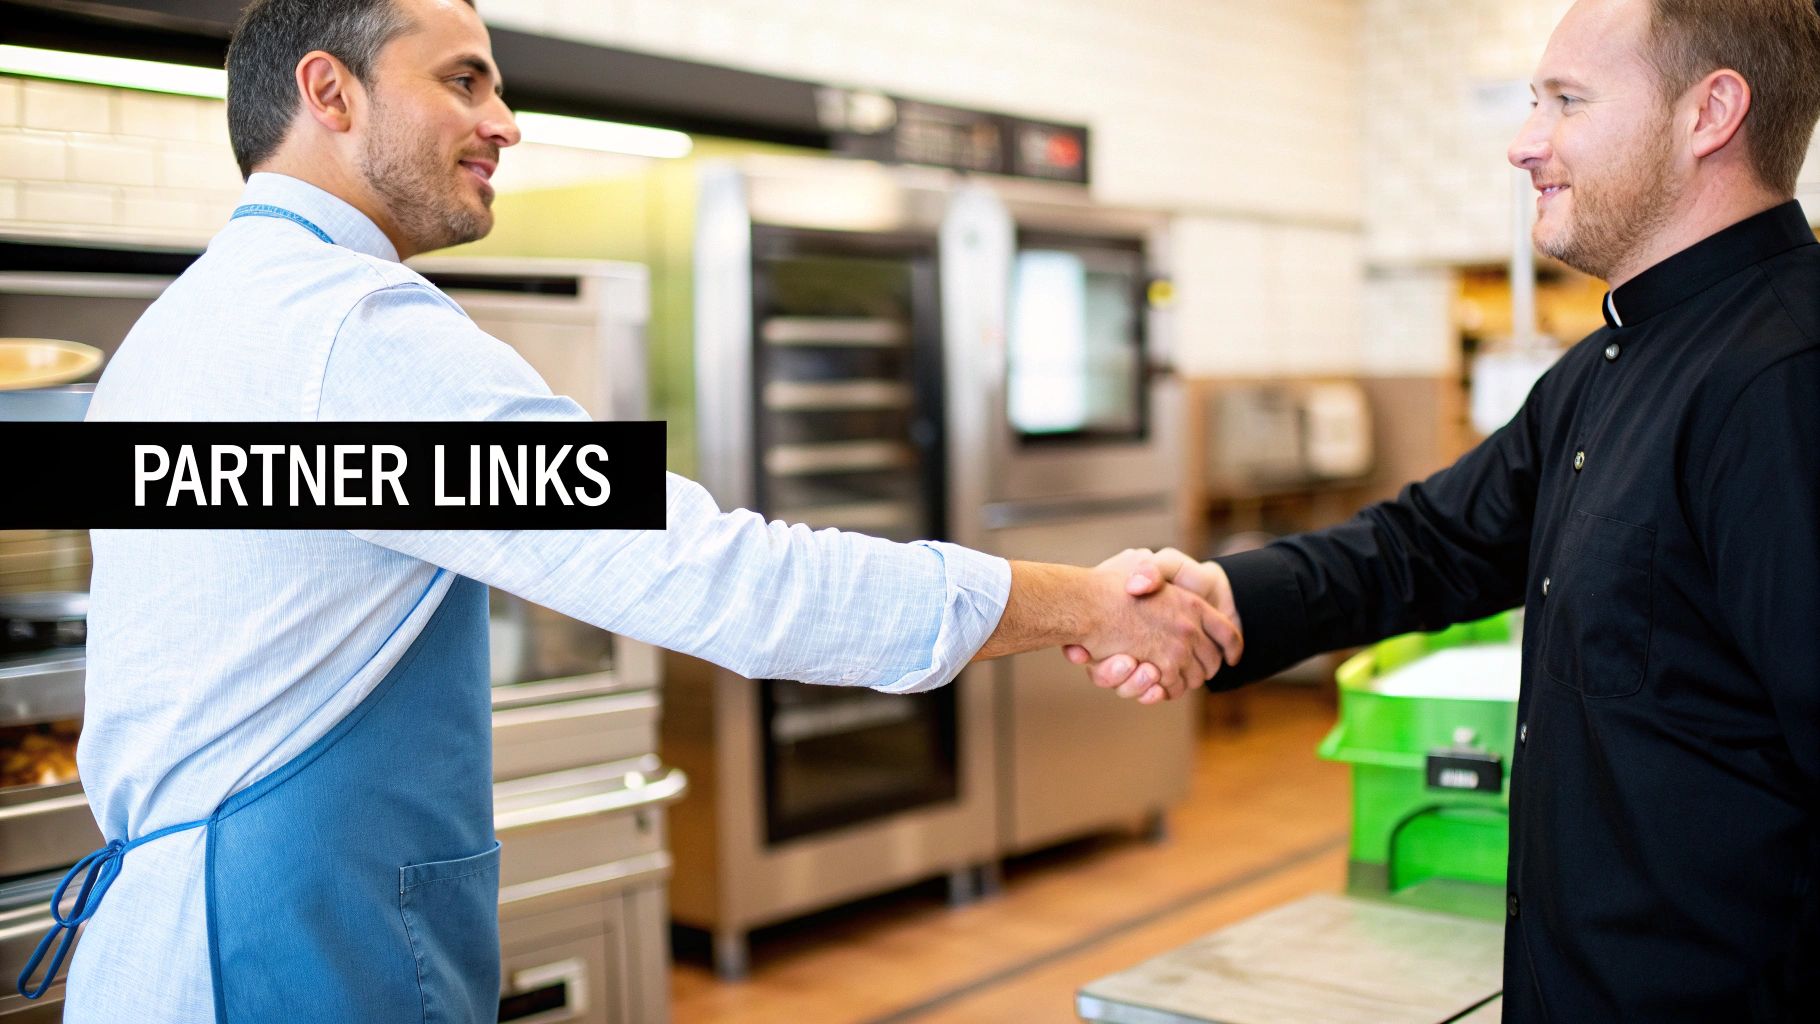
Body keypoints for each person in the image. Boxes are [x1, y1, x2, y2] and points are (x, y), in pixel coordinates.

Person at [22, 0, 1240, 1019]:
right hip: (285, 956)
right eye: (462, 80)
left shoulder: (186, 322)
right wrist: (1080, 599)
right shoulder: (355, 338)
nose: (504, 121)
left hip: (185, 948)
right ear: (328, 93)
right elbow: (725, 581)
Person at [1080, 0, 1820, 1017]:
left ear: (1710, 113)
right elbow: (1424, 544)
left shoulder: (1784, 379)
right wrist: (1215, 598)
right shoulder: (1599, 370)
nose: (1524, 144)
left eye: (1564, 102)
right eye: (1531, 104)